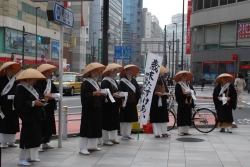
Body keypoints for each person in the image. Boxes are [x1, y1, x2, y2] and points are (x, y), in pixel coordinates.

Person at [14, 69, 46, 166]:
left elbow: (38, 96)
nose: (34, 80)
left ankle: (31, 157)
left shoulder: (34, 87)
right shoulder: (20, 88)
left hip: (35, 116)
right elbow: (18, 104)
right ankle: (21, 158)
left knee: (35, 137)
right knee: (26, 137)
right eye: (33, 78)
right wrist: (33, 103)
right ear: (27, 79)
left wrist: (41, 101)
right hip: (27, 116)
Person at [79, 62, 106, 155]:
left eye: (97, 71)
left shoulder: (95, 82)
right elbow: (84, 96)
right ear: (89, 72)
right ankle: (82, 147)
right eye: (94, 71)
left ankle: (93, 145)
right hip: (88, 109)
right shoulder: (86, 83)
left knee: (95, 126)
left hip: (96, 107)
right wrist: (94, 93)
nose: (96, 73)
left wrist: (102, 93)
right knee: (86, 127)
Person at [36, 64, 59, 152]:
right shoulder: (37, 82)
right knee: (41, 125)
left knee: (49, 125)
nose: (49, 73)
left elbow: (56, 91)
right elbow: (37, 94)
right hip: (42, 107)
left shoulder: (50, 82)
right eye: (47, 72)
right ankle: (39, 143)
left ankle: (45, 142)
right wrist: (44, 96)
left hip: (49, 107)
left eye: (49, 72)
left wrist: (54, 95)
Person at [0, 62, 22, 148]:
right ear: (6, 70)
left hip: (13, 105)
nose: (12, 71)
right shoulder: (1, 80)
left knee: (13, 122)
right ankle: (3, 142)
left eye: (13, 69)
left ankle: (11, 141)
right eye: (10, 69)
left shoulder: (16, 81)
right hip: (4, 104)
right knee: (3, 123)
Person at [101, 63, 123, 146]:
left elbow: (117, 90)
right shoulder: (105, 81)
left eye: (116, 71)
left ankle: (113, 138)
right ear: (109, 72)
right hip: (107, 105)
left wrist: (119, 93)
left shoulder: (114, 81)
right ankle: (106, 139)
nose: (115, 73)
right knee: (107, 121)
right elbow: (105, 92)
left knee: (114, 121)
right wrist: (114, 94)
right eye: (114, 71)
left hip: (114, 104)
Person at [119, 64, 141, 140]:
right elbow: (120, 91)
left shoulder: (133, 80)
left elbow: (137, 90)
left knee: (130, 119)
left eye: (131, 70)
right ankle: (123, 134)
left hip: (132, 101)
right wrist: (122, 101)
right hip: (125, 102)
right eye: (129, 70)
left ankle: (128, 133)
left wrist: (140, 91)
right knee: (124, 119)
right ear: (125, 71)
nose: (130, 72)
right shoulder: (122, 81)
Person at [150, 66, 171, 138]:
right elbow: (149, 91)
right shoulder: (151, 79)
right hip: (155, 101)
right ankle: (157, 133)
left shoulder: (162, 79)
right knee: (156, 117)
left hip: (163, 99)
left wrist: (167, 94)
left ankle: (164, 131)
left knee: (163, 116)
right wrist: (156, 93)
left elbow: (166, 88)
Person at [174, 71, 195, 136]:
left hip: (188, 103)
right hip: (182, 103)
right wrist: (185, 95)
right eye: (183, 76)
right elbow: (178, 94)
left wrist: (191, 94)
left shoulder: (188, 85)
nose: (184, 77)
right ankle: (180, 131)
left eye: (185, 76)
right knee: (181, 117)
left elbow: (193, 92)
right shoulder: (178, 84)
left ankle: (186, 131)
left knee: (187, 117)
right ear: (180, 77)